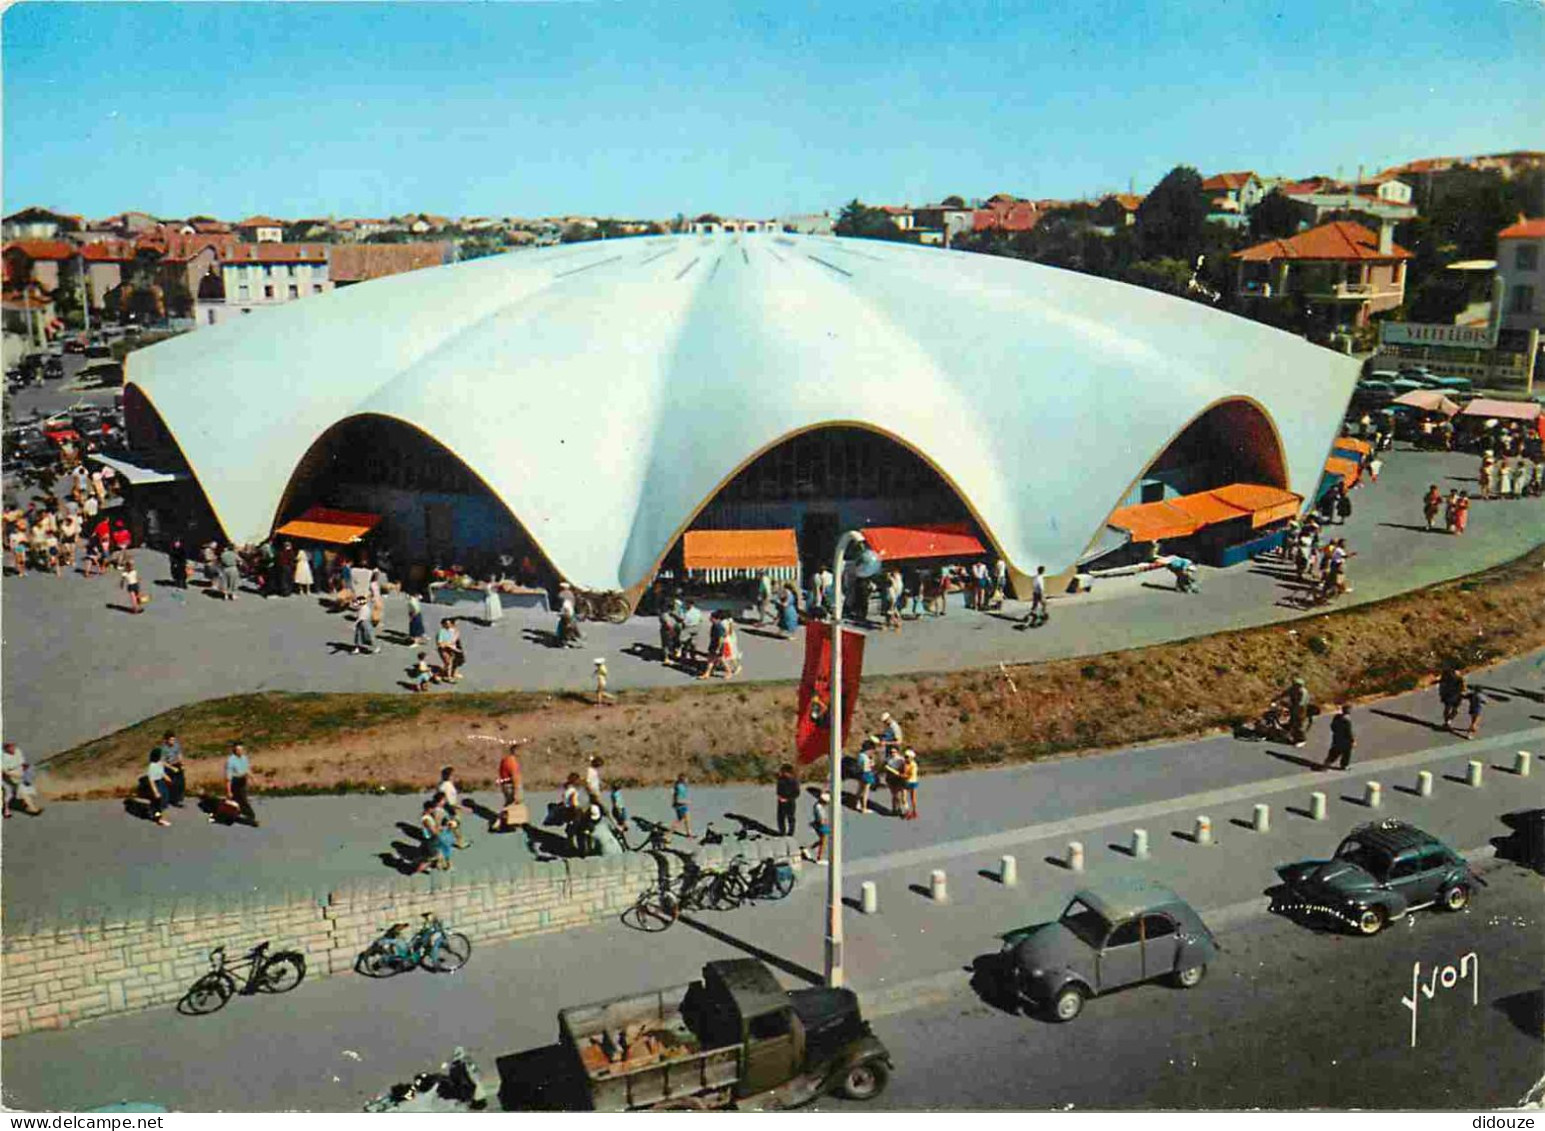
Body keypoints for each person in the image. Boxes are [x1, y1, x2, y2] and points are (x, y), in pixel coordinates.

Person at [219, 741, 258, 826]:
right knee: (238, 800)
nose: (240, 752)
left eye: (241, 750)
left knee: (242, 799)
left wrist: (253, 778)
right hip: (235, 782)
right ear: (234, 750)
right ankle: (250, 816)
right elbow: (228, 778)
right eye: (238, 750)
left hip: (243, 781)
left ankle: (244, 816)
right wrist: (229, 791)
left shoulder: (244, 758)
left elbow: (247, 770)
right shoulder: (231, 761)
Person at [435, 766, 469, 849]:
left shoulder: (443, 784)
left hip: (446, 808)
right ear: (450, 776)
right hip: (450, 809)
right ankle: (460, 842)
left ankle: (444, 841)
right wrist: (461, 808)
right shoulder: (447, 787)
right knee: (454, 825)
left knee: (450, 826)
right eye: (453, 775)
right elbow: (450, 802)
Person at [2, 742, 36, 818]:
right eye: (10, 747)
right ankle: (6, 810)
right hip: (6, 778)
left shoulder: (17, 751)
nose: (13, 748)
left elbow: (22, 763)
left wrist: (27, 769)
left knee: (25, 790)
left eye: (13, 746)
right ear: (6, 749)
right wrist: (20, 776)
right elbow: (5, 772)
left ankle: (31, 808)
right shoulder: (3, 757)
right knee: (8, 793)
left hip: (18, 773)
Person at [155, 730, 186, 807]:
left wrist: (181, 764)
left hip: (176, 764)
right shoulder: (163, 749)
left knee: (180, 782)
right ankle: (169, 799)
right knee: (170, 783)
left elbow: (179, 754)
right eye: (171, 740)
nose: (173, 741)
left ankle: (178, 799)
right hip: (168, 766)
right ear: (166, 740)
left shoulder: (176, 745)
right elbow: (162, 761)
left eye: (173, 739)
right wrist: (171, 768)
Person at [412, 798, 443, 874]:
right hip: (431, 840)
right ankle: (418, 870)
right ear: (429, 809)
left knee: (432, 856)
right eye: (433, 809)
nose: (434, 810)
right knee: (433, 857)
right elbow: (433, 831)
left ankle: (438, 867)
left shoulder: (426, 816)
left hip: (428, 840)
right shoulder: (426, 820)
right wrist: (439, 829)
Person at [145, 748, 172, 827]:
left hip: (162, 783)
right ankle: (159, 819)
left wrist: (167, 778)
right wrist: (155, 791)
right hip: (156, 785)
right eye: (161, 755)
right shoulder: (152, 766)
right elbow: (151, 780)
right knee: (159, 804)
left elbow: (162, 772)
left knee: (163, 801)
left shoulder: (160, 763)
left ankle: (153, 812)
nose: (162, 756)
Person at [1323, 705, 1355, 770]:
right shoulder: (1346, 720)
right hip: (1346, 740)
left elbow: (1332, 726)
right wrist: (1352, 740)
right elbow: (1348, 732)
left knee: (1335, 751)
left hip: (1337, 737)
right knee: (1346, 753)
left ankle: (1327, 763)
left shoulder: (1337, 717)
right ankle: (1344, 765)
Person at [775, 763, 800, 837]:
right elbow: (778, 790)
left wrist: (788, 798)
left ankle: (790, 833)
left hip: (790, 802)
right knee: (780, 817)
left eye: (784, 771)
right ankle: (782, 832)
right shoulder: (780, 779)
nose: (783, 773)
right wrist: (780, 797)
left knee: (791, 818)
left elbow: (797, 793)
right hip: (781, 801)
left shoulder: (794, 781)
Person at [806, 791, 831, 862]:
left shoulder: (817, 805)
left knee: (822, 840)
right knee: (823, 842)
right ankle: (819, 858)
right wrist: (825, 822)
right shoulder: (819, 808)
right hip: (822, 826)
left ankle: (809, 848)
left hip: (820, 824)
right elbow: (821, 820)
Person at [854, 741, 875, 814]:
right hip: (867, 773)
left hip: (860, 774)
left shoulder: (860, 755)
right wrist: (871, 762)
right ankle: (864, 808)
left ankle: (857, 803)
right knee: (866, 791)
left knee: (860, 789)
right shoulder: (866, 757)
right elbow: (868, 766)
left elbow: (859, 765)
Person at [670, 773, 693, 839]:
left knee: (682, 819)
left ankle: (669, 834)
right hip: (681, 805)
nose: (687, 780)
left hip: (681, 805)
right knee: (684, 819)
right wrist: (687, 802)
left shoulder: (680, 786)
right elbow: (678, 799)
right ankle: (688, 833)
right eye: (686, 779)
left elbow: (675, 796)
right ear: (683, 779)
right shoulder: (680, 787)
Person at [901, 749, 920, 819]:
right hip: (905, 782)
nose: (905, 758)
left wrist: (903, 776)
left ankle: (914, 812)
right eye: (905, 756)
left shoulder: (914, 765)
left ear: (911, 757)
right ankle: (907, 811)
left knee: (913, 798)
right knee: (903, 798)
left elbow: (910, 775)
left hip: (912, 782)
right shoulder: (904, 763)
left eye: (907, 757)